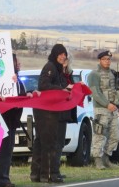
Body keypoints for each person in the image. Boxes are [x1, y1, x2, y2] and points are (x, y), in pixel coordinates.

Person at [30, 44, 73, 183]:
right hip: (46, 111)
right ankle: (49, 175)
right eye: (60, 54)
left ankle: (37, 174)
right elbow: (43, 85)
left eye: (64, 54)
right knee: (49, 143)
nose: (63, 56)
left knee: (41, 142)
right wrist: (62, 89)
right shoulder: (50, 67)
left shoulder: (57, 69)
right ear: (55, 55)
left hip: (47, 110)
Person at [0, 53, 31, 187]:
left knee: (7, 151)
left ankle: (3, 178)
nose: (18, 63)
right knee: (3, 151)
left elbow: (20, 94)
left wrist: (28, 94)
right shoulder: (4, 79)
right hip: (4, 119)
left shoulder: (17, 79)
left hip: (12, 119)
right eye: (15, 61)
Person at [88, 50, 119, 169]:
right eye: (104, 59)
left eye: (108, 59)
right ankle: (97, 161)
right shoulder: (94, 74)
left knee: (114, 136)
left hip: (113, 110)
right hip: (101, 110)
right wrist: (107, 104)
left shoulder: (113, 73)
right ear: (99, 60)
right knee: (100, 135)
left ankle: (106, 159)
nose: (107, 61)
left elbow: (116, 91)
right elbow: (95, 92)